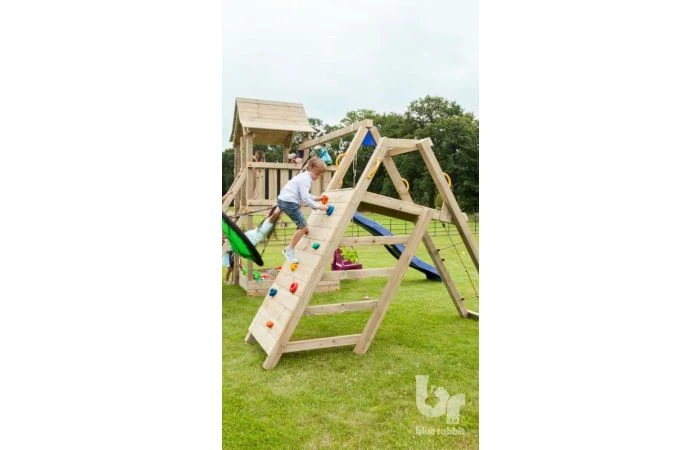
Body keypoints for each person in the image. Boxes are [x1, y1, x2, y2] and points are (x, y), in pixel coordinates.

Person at [277, 156, 329, 263]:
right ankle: (289, 250)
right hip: (289, 203)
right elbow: (305, 198)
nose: (318, 177)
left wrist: (316, 198)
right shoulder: (305, 180)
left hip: (284, 201)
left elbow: (305, 194)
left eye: (319, 175)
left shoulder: (303, 177)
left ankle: (295, 241)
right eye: (317, 174)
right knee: (304, 228)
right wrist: (318, 206)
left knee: (303, 227)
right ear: (310, 168)